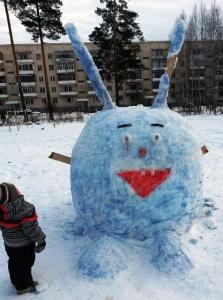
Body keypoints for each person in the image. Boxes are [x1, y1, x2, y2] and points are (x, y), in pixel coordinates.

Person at [0, 182, 46, 295]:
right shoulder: (26, 209)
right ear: (15, 195)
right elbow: (31, 229)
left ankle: (15, 281)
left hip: (9, 244)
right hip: (24, 245)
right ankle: (23, 287)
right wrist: (41, 239)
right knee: (24, 265)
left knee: (13, 261)